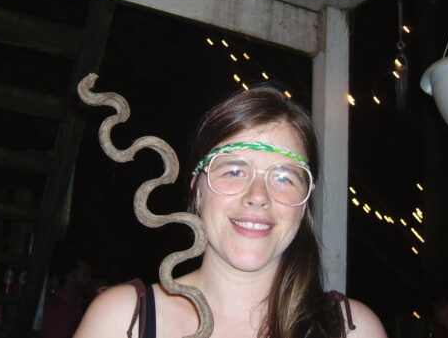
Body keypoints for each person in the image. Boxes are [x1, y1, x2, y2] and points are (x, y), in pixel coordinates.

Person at [74, 84, 387, 338]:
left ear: (305, 202)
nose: (258, 196)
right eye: (234, 172)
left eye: (283, 177)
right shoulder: (121, 321)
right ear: (197, 192)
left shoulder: (352, 330)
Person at [41, 249, 94, 338]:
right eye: (85, 275)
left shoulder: (76, 305)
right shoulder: (57, 310)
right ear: (71, 278)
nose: (90, 280)